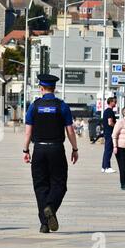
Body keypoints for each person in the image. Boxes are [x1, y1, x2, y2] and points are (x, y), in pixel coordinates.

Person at [23, 74, 79, 234]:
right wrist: (75, 149)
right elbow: (70, 131)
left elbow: (28, 133)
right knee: (59, 184)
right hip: (56, 149)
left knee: (40, 186)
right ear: (54, 88)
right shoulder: (62, 106)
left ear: (41, 88)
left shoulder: (34, 106)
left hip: (39, 149)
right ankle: (51, 208)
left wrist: (26, 150)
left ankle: (44, 224)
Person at [101, 97, 117, 173]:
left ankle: (104, 167)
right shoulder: (110, 111)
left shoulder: (106, 111)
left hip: (106, 132)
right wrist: (116, 126)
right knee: (109, 150)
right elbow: (110, 122)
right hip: (110, 132)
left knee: (106, 149)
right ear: (110, 102)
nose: (116, 103)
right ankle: (107, 167)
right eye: (114, 102)